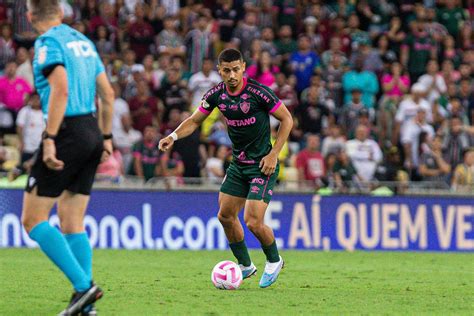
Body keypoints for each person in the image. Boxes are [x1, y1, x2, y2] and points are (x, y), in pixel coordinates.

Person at [159, 49, 293, 288]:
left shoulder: (258, 92)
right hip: (238, 164)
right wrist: (173, 136)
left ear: (243, 67)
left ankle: (274, 260)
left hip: (263, 164)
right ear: (220, 71)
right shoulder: (216, 94)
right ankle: (245, 265)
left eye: (236, 69)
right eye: (226, 70)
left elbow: (287, 119)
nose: (232, 75)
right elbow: (194, 120)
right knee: (225, 216)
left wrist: (274, 153)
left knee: (253, 221)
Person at [22, 1, 114, 314]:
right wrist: (107, 137)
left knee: (32, 220)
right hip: (91, 129)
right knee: (72, 221)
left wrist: (49, 139)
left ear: (30, 15)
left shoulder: (47, 43)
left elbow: (59, 90)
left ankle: (84, 287)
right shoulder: (85, 42)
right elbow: (108, 95)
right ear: (62, 14)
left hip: (66, 131)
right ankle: (86, 307)